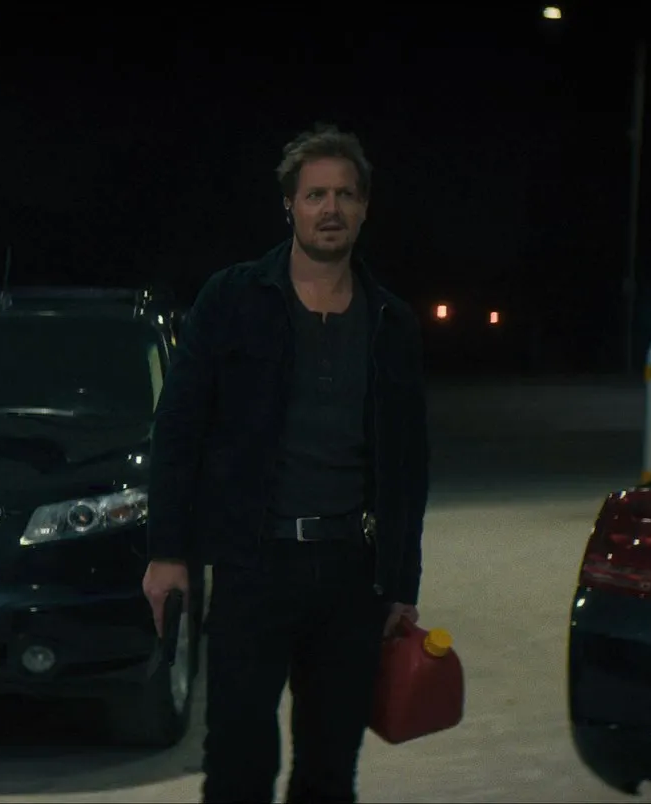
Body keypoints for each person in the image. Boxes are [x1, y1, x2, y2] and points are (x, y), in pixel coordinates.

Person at [141, 124, 430, 803]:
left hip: (351, 575)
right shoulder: (233, 298)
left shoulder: (391, 321)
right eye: (315, 195)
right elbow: (178, 429)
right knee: (237, 765)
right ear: (289, 207)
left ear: (364, 208)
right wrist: (167, 552)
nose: (331, 209)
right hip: (254, 566)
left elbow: (409, 462)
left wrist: (400, 579)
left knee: (330, 771)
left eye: (345, 195)